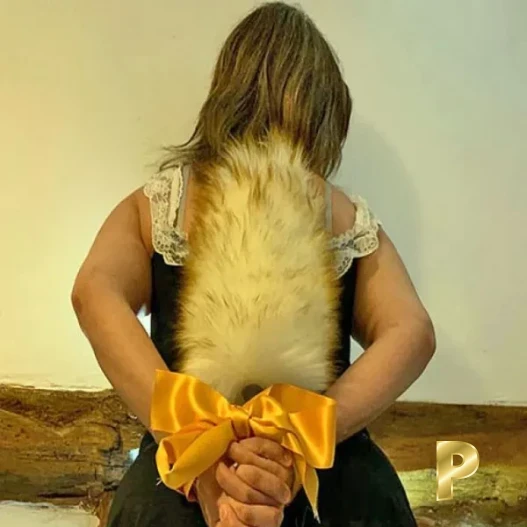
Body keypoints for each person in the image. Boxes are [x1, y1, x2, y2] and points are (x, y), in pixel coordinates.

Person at [72, 2, 436, 526]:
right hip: (331, 483)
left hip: (178, 485)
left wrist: (195, 442)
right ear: (324, 107)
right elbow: (412, 332)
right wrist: (304, 436)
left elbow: (93, 292)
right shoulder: (341, 214)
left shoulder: (161, 205)